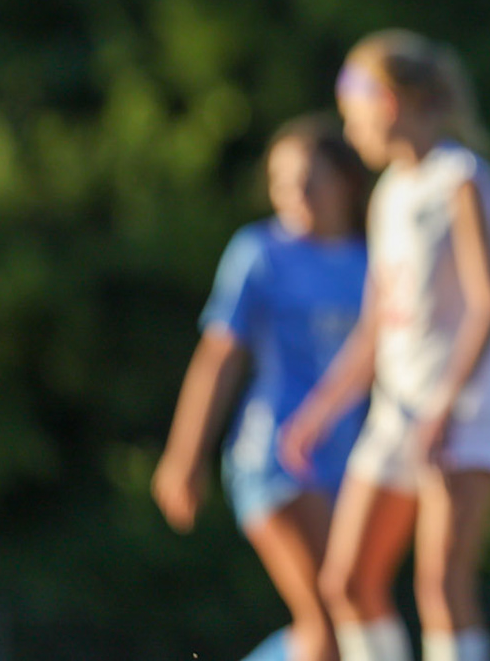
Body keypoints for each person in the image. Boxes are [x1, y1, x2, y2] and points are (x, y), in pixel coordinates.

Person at [280, 31, 490, 661]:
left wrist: (444, 407)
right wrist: (319, 411)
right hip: (401, 408)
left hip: (465, 408)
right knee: (347, 581)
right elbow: (375, 326)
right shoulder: (390, 191)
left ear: (387, 103)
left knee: (441, 584)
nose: (347, 124)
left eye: (352, 106)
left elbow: (489, 305)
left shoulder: (461, 179)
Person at [153, 114, 372, 661]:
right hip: (271, 453)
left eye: (308, 179)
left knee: (347, 622)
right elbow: (219, 358)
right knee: (328, 618)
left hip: (350, 461)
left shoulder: (376, 259)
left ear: (345, 180)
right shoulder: (259, 253)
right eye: (280, 181)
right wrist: (185, 457)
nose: (293, 194)